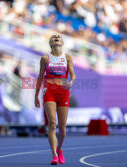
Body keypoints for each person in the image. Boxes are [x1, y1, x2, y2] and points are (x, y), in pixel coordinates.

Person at [34, 34, 76, 165]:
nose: (56, 37)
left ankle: (60, 149)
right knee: (52, 124)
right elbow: (40, 77)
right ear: (50, 44)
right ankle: (54, 155)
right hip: (49, 91)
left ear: (62, 43)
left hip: (63, 91)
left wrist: (72, 82)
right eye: (53, 38)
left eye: (58, 37)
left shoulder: (68, 57)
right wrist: (36, 95)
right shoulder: (45, 58)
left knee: (62, 128)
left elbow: (73, 75)